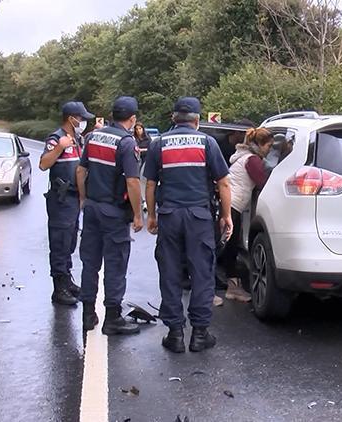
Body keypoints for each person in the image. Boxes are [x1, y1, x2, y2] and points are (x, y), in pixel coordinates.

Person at [144, 97, 232, 353]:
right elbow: (223, 183)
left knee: (170, 273)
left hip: (170, 216)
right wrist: (226, 215)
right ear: (197, 120)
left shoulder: (158, 144)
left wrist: (152, 216)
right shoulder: (207, 142)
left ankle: (175, 335)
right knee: (202, 273)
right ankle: (200, 334)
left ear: (173, 118)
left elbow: (150, 184)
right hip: (199, 217)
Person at [77, 96, 144, 335]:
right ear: (133, 118)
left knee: (90, 262)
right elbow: (133, 182)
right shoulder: (126, 143)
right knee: (115, 263)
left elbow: (81, 169)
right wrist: (138, 214)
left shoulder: (93, 137)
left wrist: (84, 199)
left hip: (93, 208)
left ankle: (87, 314)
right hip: (113, 212)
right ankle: (113, 318)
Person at [39, 101, 94, 306]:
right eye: (81, 119)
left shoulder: (78, 140)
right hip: (60, 199)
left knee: (70, 241)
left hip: (73, 198)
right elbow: (44, 164)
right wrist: (59, 148)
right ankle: (58, 287)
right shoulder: (56, 139)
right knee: (60, 243)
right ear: (72, 118)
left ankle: (67, 280)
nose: (83, 122)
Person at [219, 128, 275, 303]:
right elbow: (263, 183)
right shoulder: (252, 160)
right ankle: (216, 291)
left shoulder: (243, 156)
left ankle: (230, 286)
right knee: (224, 247)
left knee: (229, 246)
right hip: (232, 206)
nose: (269, 150)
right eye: (269, 146)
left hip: (230, 205)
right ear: (259, 144)